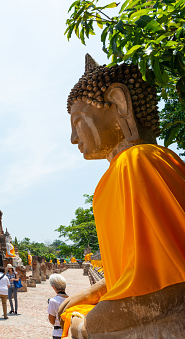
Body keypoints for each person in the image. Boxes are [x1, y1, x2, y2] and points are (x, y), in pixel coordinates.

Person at [59, 55, 185, 338]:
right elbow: (138, 272)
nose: (73, 138)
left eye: (78, 122)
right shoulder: (121, 173)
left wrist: (87, 326)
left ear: (118, 104)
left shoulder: (140, 162)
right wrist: (92, 293)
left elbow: (170, 288)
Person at [47, 274, 68, 339]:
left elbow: (52, 321)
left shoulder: (53, 301)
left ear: (54, 287)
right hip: (68, 333)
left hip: (58, 333)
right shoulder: (71, 299)